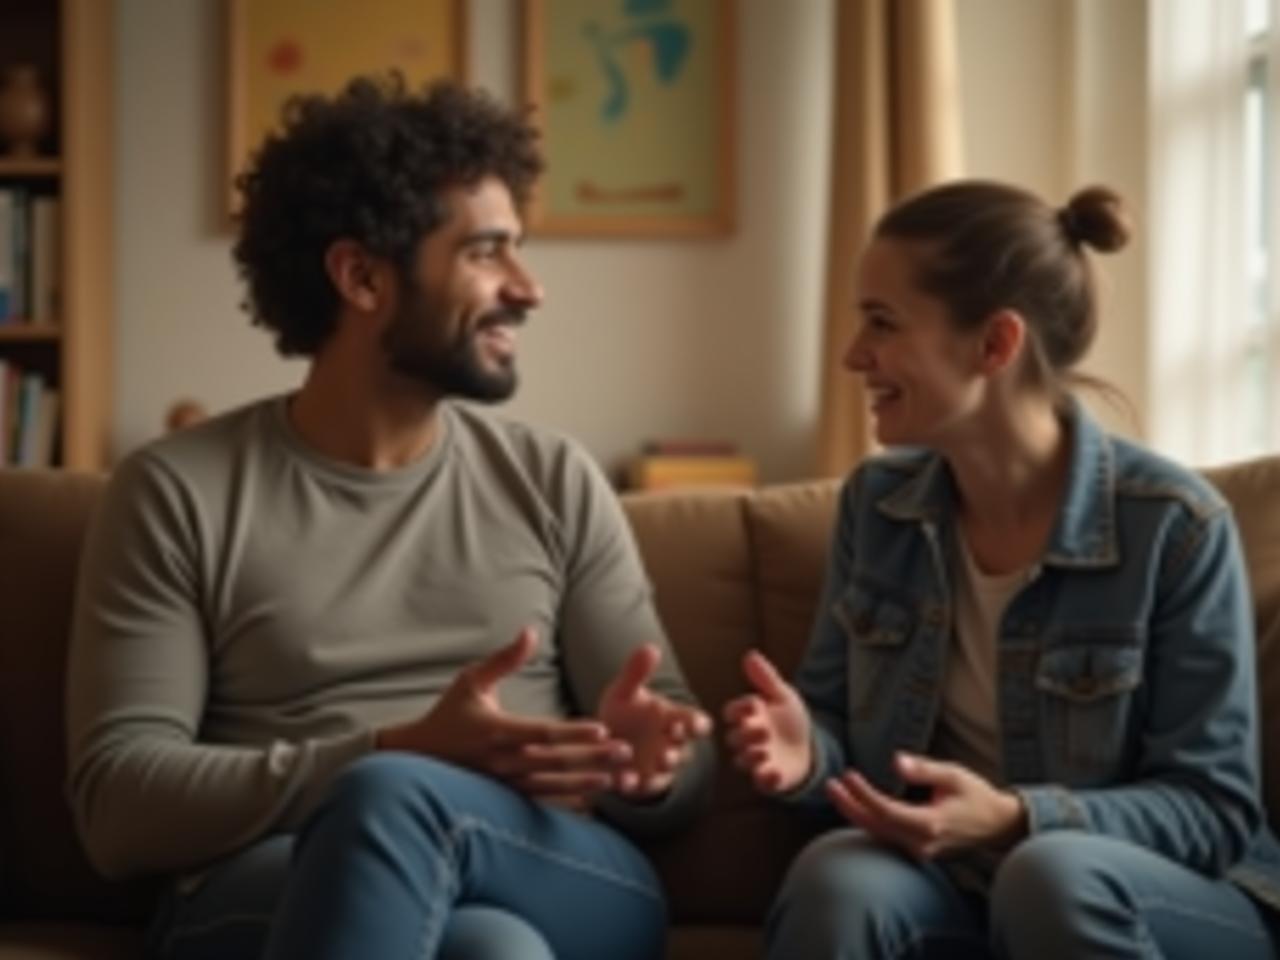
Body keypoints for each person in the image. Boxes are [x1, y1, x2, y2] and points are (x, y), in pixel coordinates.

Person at [66, 75, 714, 960]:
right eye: (487, 252)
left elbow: (681, 760)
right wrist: (395, 750)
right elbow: (120, 806)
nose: (528, 289)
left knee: (407, 817)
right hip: (274, 878)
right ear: (362, 277)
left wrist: (652, 768)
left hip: (547, 862)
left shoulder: (553, 480)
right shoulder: (176, 492)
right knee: (484, 943)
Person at [724, 180, 1280, 959]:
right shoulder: (877, 507)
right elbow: (835, 725)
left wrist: (1019, 818)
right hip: (951, 878)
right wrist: (808, 751)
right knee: (836, 878)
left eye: (881, 323)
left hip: (1156, 895)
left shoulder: (1175, 529)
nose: (854, 355)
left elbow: (1213, 811)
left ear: (994, 345)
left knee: (1050, 874)